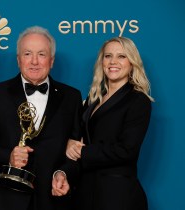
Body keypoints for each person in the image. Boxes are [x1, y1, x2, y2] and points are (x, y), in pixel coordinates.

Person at [0, 26, 83, 210]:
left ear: (52, 60)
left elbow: (76, 151)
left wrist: (62, 173)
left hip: (52, 199)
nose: (34, 61)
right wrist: (8, 156)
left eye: (41, 54)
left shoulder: (71, 97)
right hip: (6, 199)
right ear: (18, 60)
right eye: (27, 54)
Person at [66, 37, 154, 210]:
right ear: (102, 61)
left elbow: (126, 150)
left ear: (132, 63)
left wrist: (83, 152)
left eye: (121, 56)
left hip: (117, 196)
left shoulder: (138, 100)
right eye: (108, 56)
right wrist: (70, 143)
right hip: (84, 193)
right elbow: (78, 136)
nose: (113, 61)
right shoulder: (93, 99)